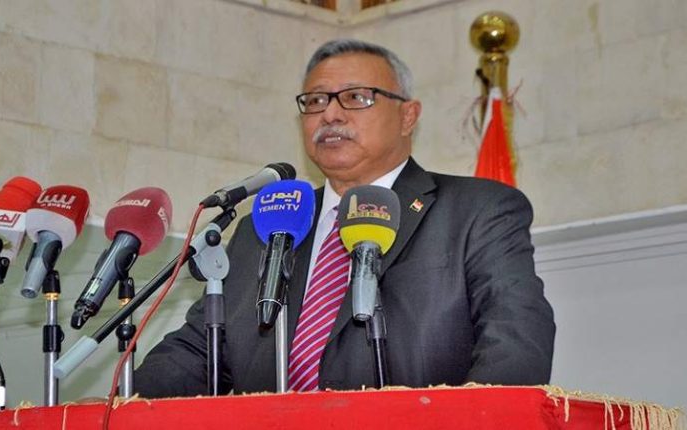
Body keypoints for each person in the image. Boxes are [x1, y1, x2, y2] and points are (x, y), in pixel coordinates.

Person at [133, 39, 555, 397]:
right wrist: (121, 407)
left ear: (407, 116)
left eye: (356, 97)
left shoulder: (477, 209)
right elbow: (201, 349)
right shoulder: (267, 226)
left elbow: (516, 337)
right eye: (315, 101)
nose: (330, 115)